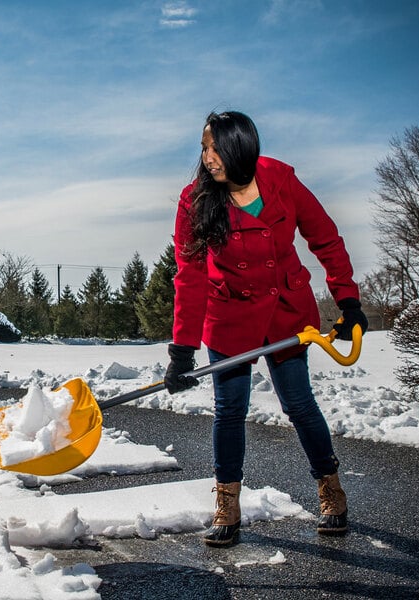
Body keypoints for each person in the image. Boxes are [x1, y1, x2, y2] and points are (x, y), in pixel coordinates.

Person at [164, 111, 368, 547]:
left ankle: (330, 489)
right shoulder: (195, 200)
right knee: (229, 410)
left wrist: (348, 301)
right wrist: (182, 349)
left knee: (298, 403)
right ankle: (227, 503)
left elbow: (326, 239)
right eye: (204, 148)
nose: (207, 158)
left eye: (215, 148)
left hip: (284, 313)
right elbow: (190, 274)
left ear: (241, 148)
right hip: (230, 316)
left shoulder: (280, 180)